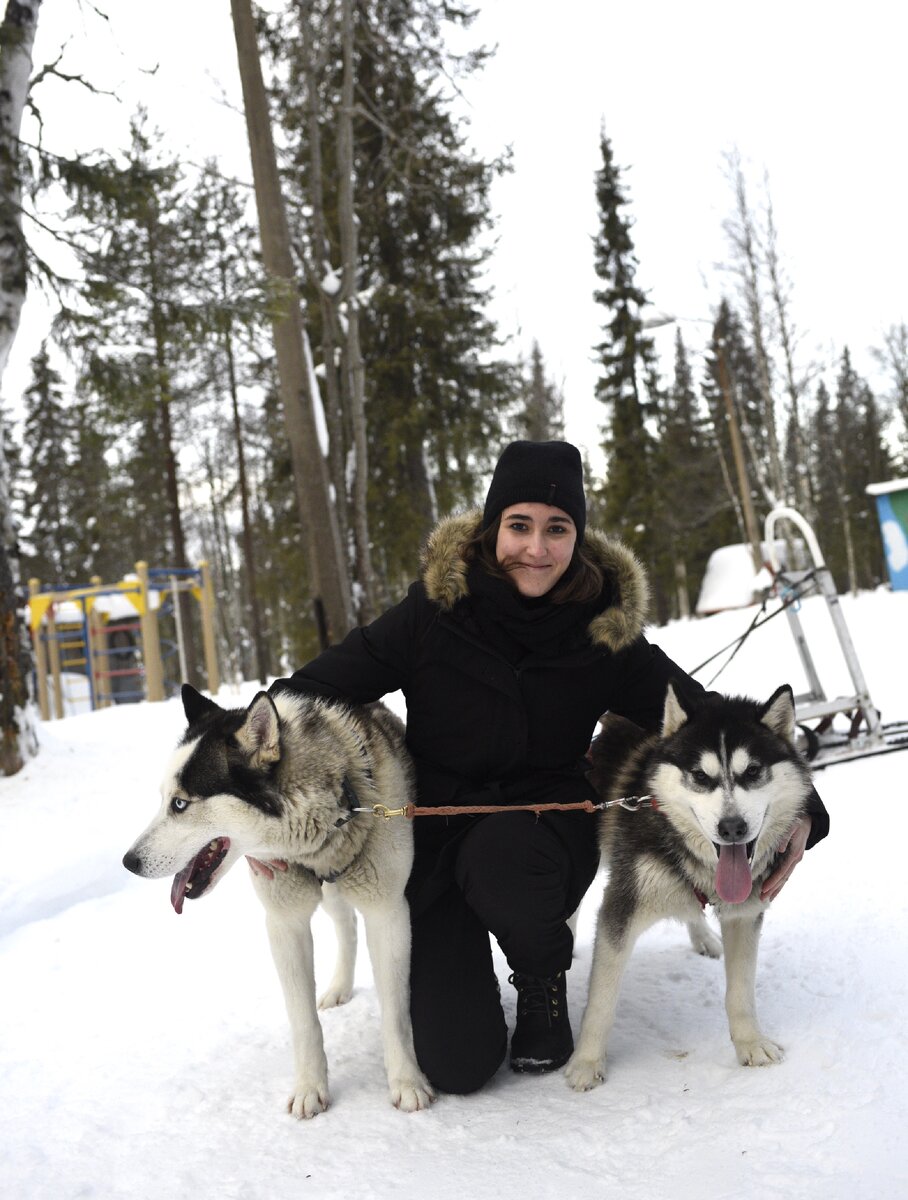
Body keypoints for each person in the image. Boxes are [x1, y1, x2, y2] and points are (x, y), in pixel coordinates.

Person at [268, 440, 829, 1095]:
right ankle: (471, 973)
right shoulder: (432, 613)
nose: (536, 548)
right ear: (491, 528)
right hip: (438, 834)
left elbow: (708, 718)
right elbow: (304, 693)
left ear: (578, 537)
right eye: (519, 526)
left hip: (542, 834)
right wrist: (261, 792)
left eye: (557, 529)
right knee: (457, 1065)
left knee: (509, 856)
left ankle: (540, 975)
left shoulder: (604, 629)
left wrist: (806, 815)